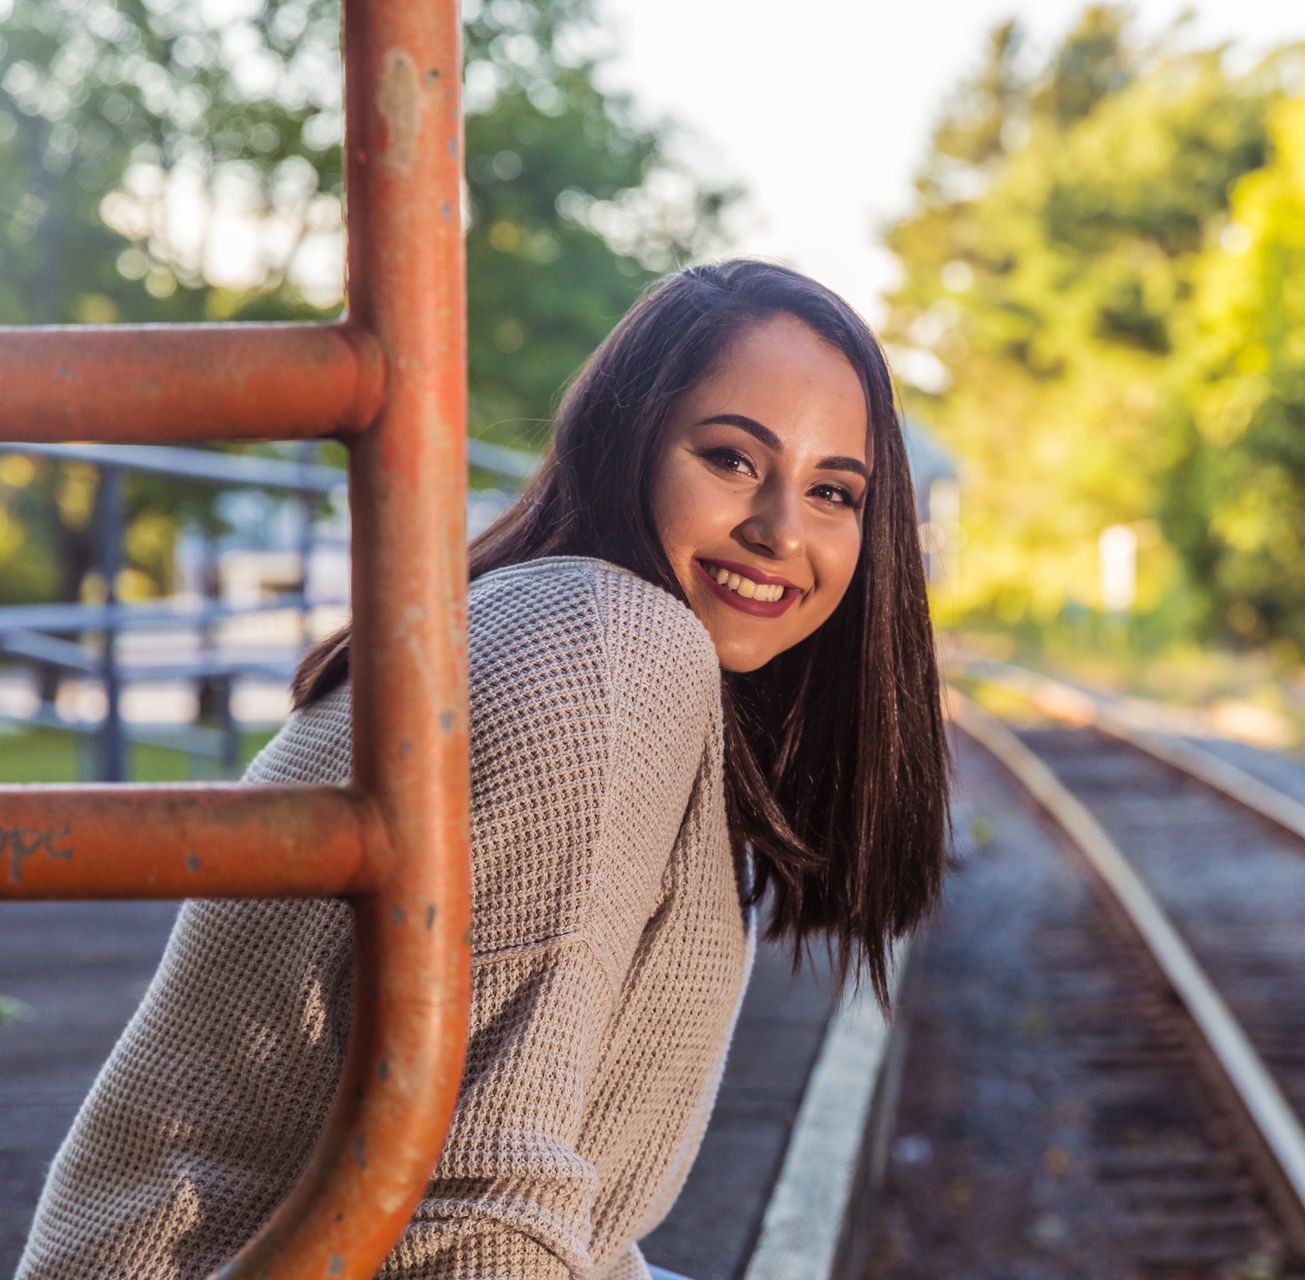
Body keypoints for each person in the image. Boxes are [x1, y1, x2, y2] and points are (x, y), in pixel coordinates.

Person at [12, 258, 953, 1279]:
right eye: (731, 459)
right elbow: (472, 1217)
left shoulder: (584, 628)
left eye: (832, 491)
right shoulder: (607, 648)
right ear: (626, 441)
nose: (781, 529)